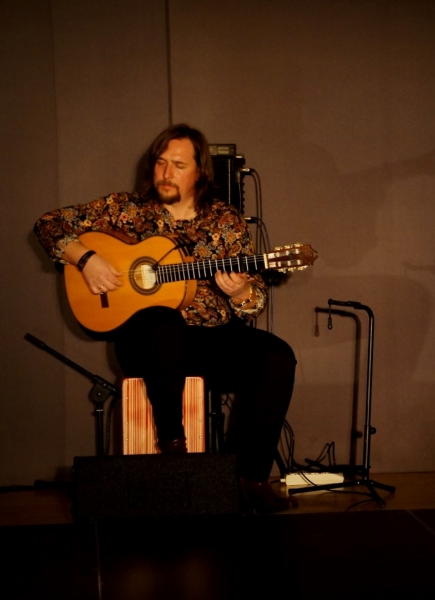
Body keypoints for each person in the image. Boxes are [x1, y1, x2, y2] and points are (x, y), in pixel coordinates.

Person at [34, 124, 296, 513]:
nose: (166, 173)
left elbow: (253, 302)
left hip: (207, 341)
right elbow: (48, 224)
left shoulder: (225, 222)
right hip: (144, 343)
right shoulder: (125, 210)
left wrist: (240, 292)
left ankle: (251, 477)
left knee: (276, 355)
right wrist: (86, 259)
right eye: (160, 163)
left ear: (200, 172)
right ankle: (175, 451)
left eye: (178, 165)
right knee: (163, 321)